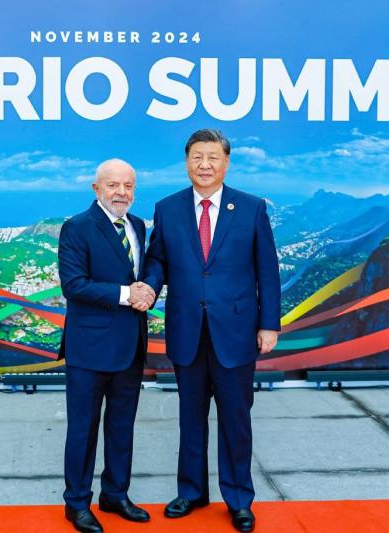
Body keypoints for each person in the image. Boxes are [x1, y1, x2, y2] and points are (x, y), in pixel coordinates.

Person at [142, 129, 281, 532]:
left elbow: (267, 270)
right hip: (187, 329)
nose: (205, 165)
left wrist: (269, 324)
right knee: (190, 417)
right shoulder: (168, 209)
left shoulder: (251, 208)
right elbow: (158, 260)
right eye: (197, 157)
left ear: (226, 162)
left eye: (213, 157)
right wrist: (148, 285)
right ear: (187, 162)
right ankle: (191, 492)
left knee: (236, 420)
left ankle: (238, 499)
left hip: (236, 332)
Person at [58, 158, 155, 533]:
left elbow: (141, 275)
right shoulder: (77, 227)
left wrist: (146, 290)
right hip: (89, 348)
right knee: (83, 430)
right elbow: (74, 285)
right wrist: (127, 294)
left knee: (122, 427)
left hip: (130, 345)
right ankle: (77, 503)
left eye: (128, 185)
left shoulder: (138, 225)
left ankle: (115, 494)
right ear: (96, 189)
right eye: (113, 185)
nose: (121, 192)